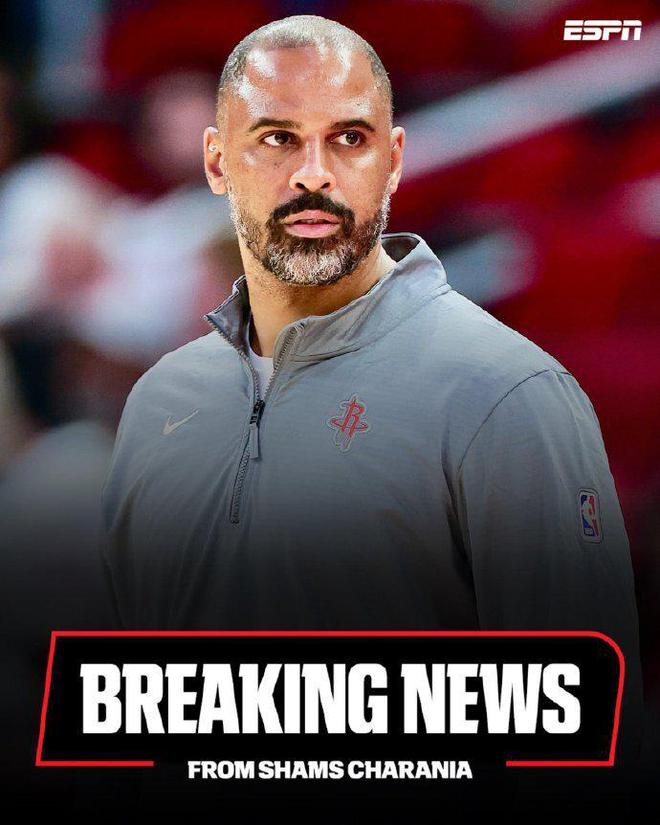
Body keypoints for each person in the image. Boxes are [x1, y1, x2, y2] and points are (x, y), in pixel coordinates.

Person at [101, 16, 641, 761]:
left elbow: (579, 718)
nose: (313, 174)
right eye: (277, 139)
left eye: (348, 138)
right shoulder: (163, 399)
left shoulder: (509, 392)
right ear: (218, 163)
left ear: (393, 162)